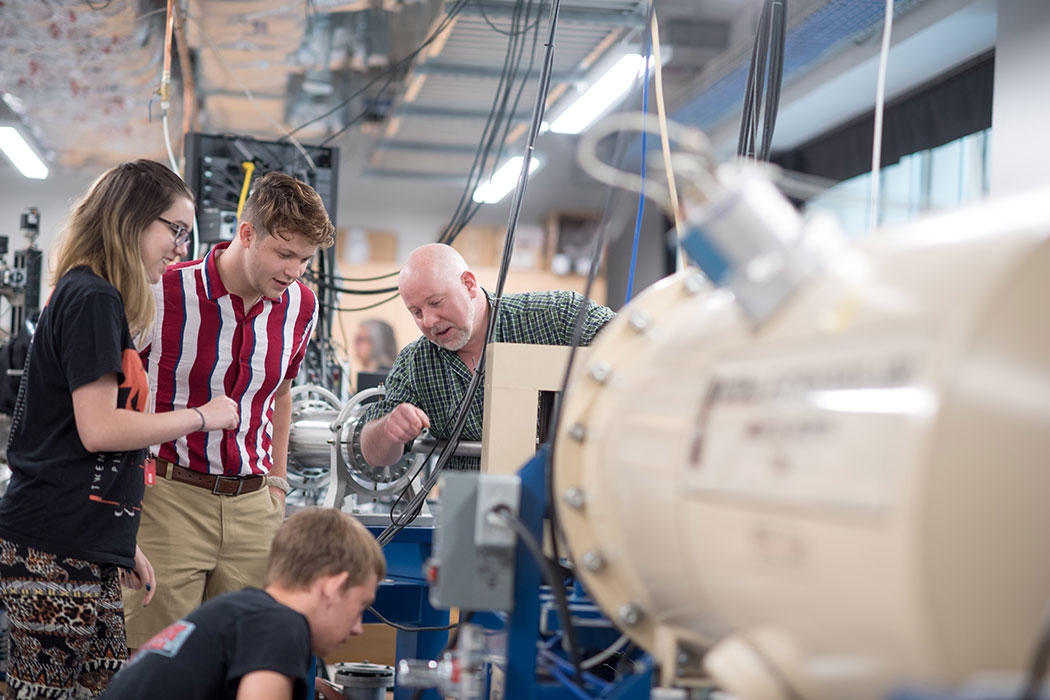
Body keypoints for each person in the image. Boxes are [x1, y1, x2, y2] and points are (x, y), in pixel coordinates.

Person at [0, 159, 239, 699]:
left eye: (187, 234)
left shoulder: (95, 296)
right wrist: (205, 415)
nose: (181, 247)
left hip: (85, 543)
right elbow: (100, 429)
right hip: (52, 545)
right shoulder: (93, 298)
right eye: (173, 230)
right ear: (130, 220)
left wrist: (117, 540)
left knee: (104, 688)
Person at [123, 171, 336, 649]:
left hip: (254, 507)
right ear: (246, 234)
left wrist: (277, 488)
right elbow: (121, 395)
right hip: (169, 499)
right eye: (284, 254)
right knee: (157, 662)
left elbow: (281, 393)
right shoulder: (163, 291)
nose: (294, 270)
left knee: (247, 661)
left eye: (305, 259)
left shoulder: (301, 306)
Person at [360, 243, 615, 471]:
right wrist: (389, 429)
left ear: (469, 284)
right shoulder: (415, 364)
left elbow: (634, 347)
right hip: (470, 511)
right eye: (416, 312)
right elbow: (373, 454)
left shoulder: (557, 317)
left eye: (436, 302)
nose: (428, 321)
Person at [100, 508, 385, 700]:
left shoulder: (240, 612)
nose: (359, 627)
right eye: (361, 605)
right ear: (333, 588)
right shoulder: (281, 626)